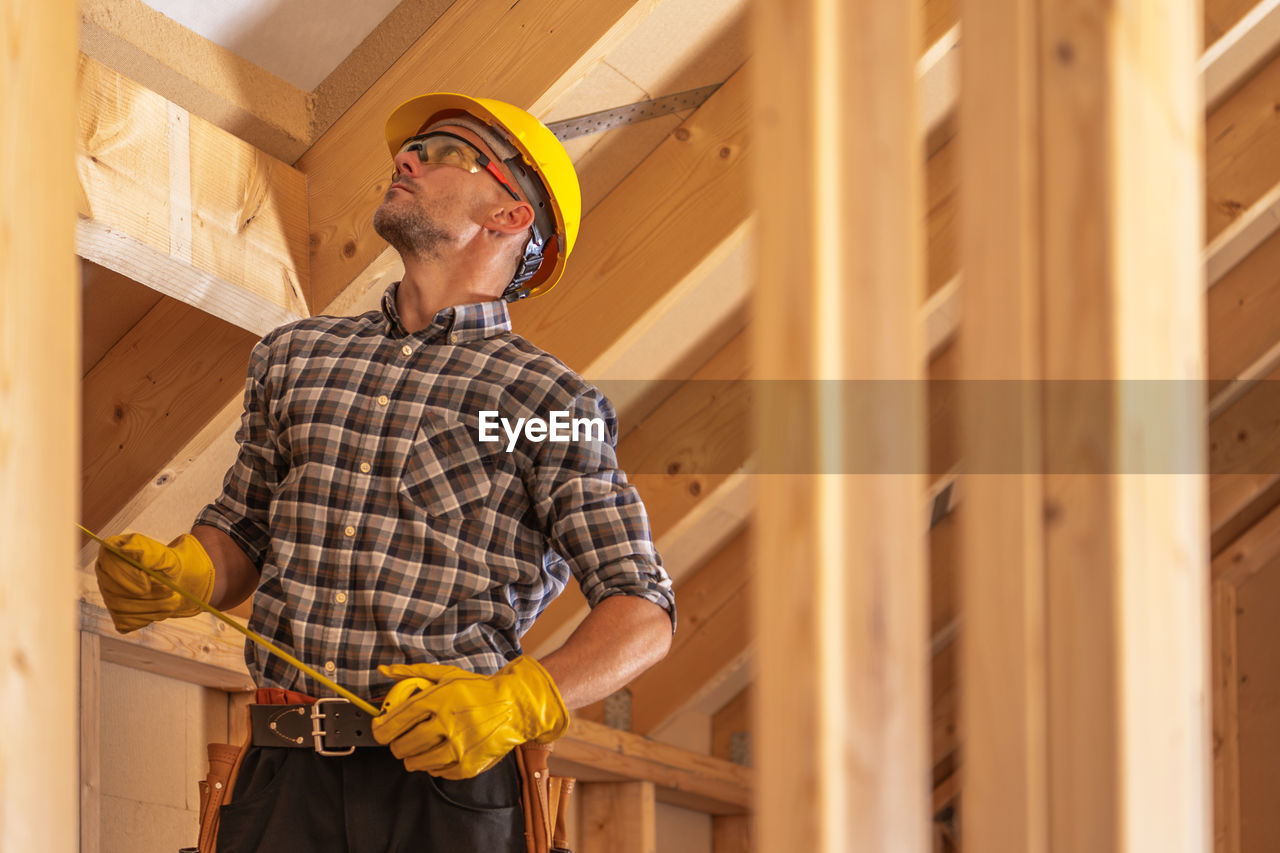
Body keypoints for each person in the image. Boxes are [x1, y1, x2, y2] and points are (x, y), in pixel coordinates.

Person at [94, 92, 677, 852]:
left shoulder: (546, 401)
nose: (405, 158)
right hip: (279, 774)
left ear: (509, 217)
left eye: (443, 153)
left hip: (446, 790)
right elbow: (242, 533)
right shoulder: (295, 357)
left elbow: (643, 611)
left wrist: (519, 698)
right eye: (412, 150)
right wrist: (185, 572)